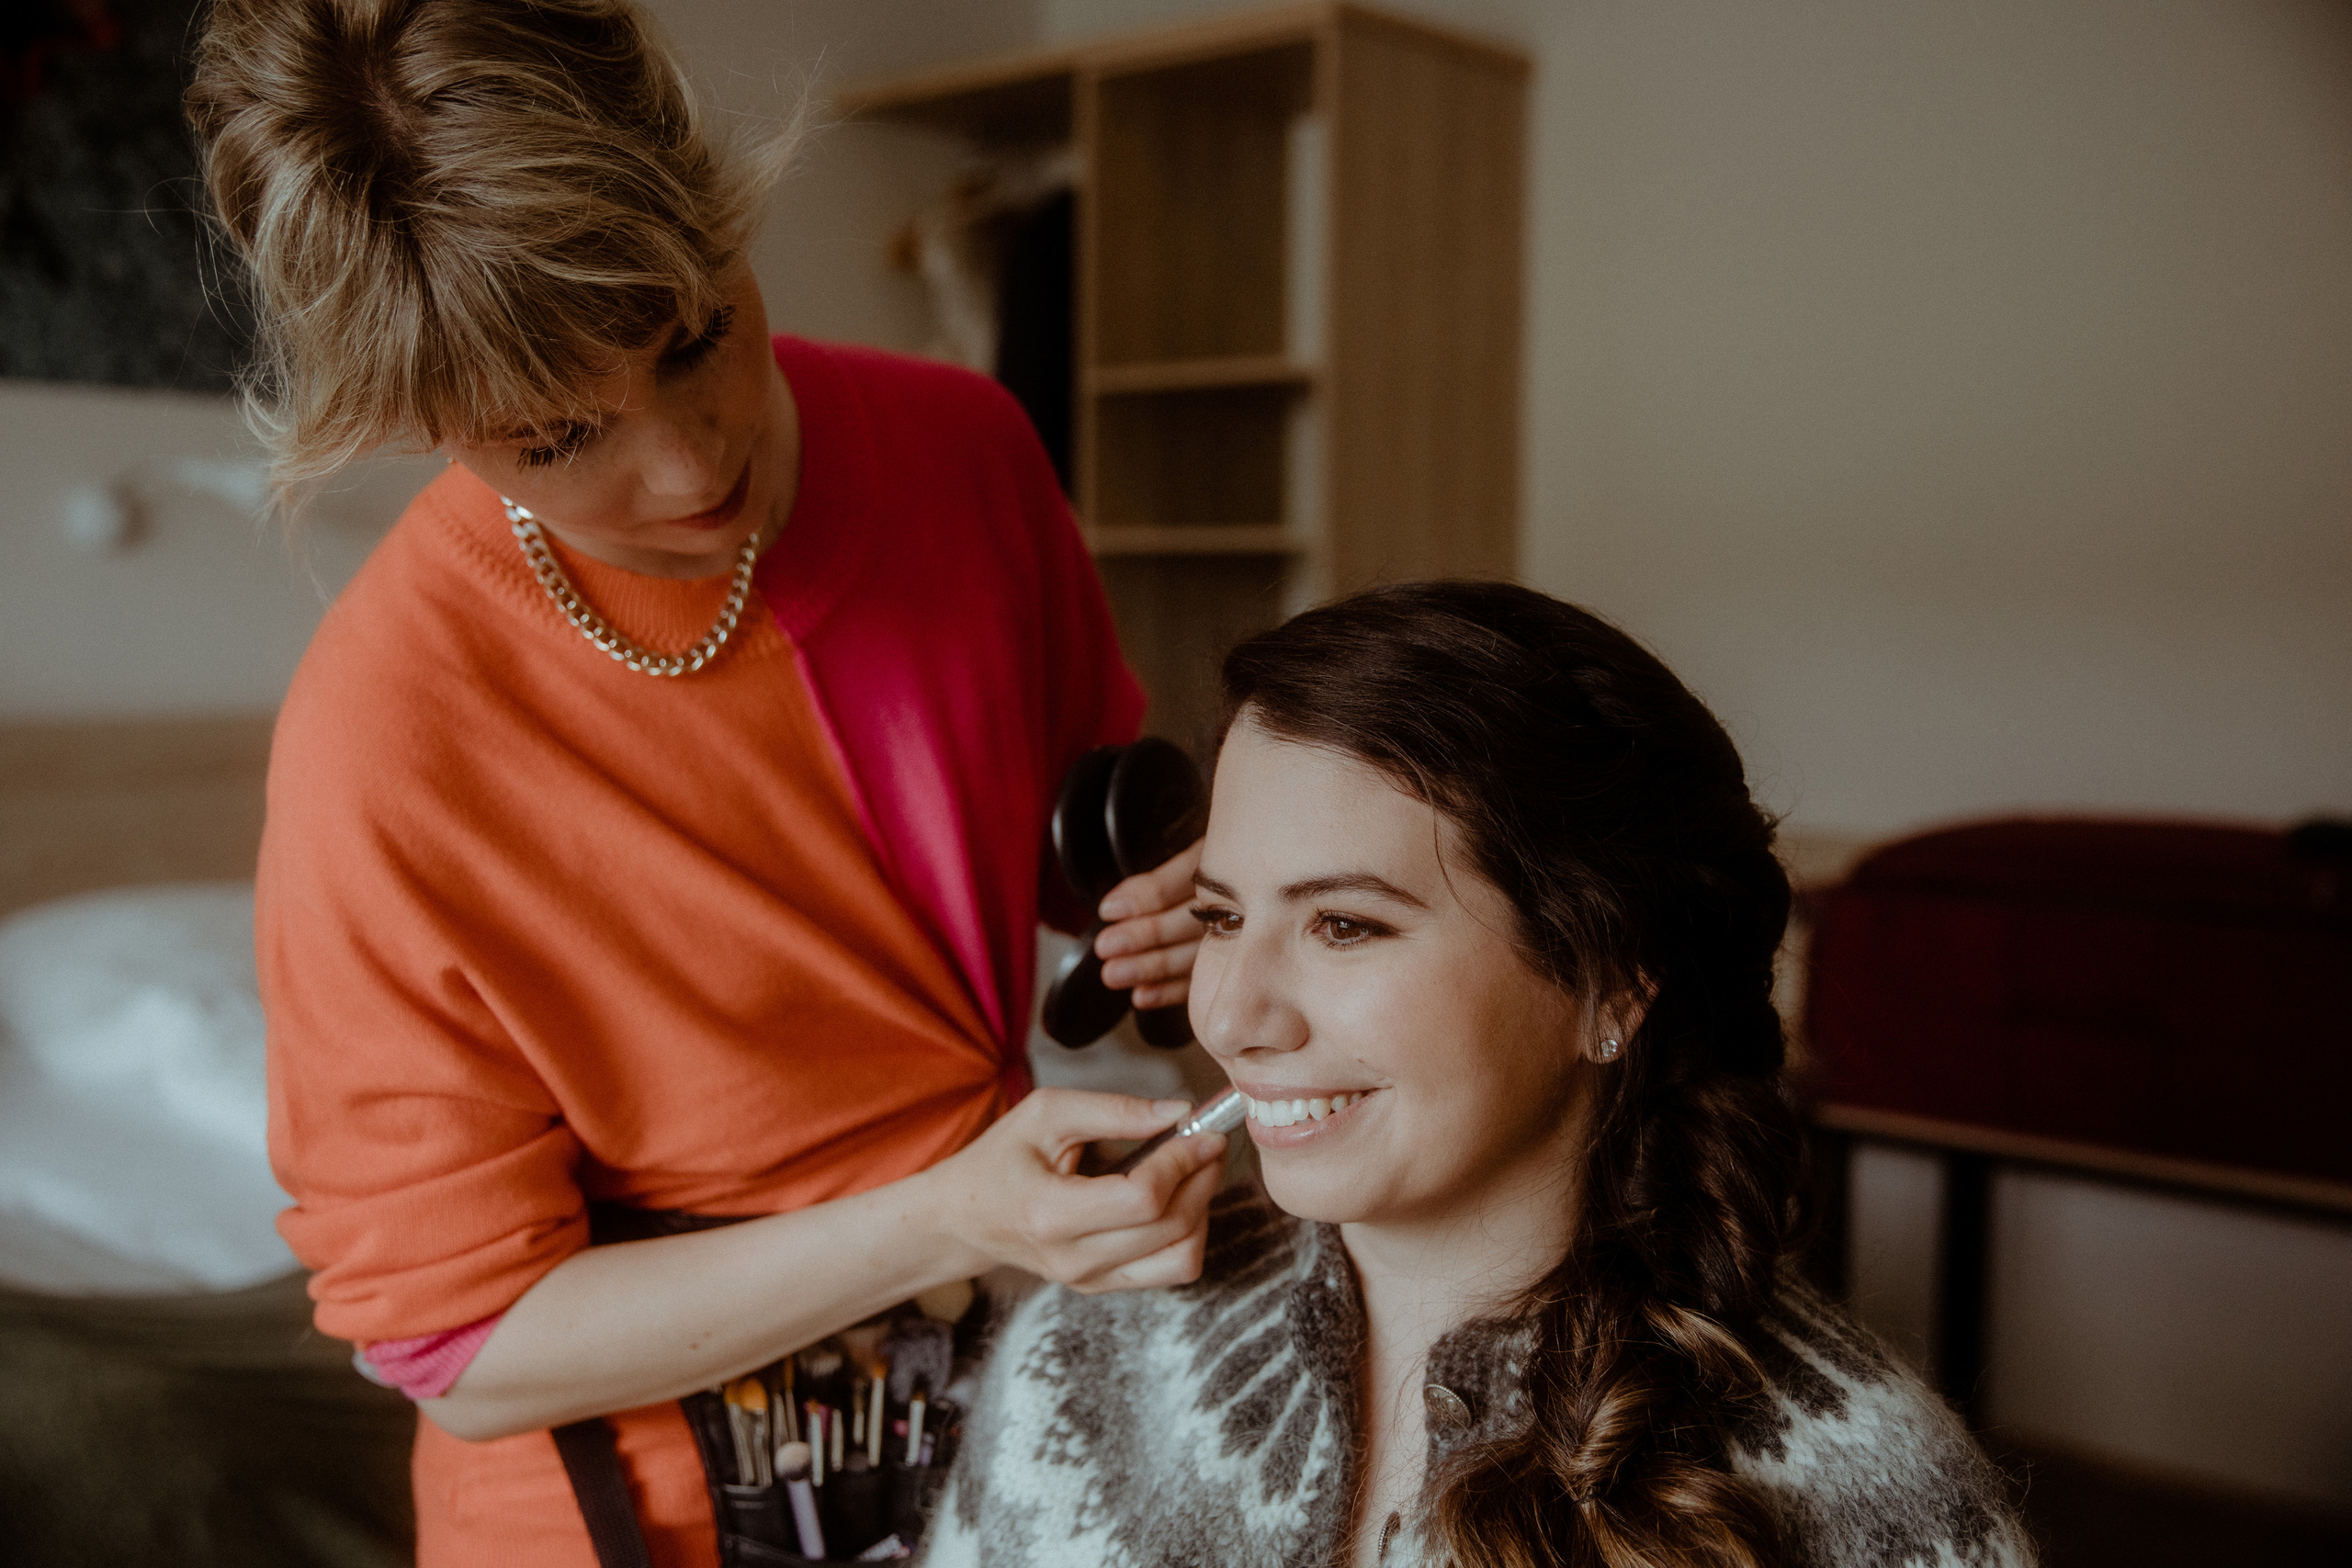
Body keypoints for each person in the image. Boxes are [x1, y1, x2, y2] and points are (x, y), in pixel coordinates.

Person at [184, 3, 1224, 1564]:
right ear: (423, 430)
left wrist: (1181, 909)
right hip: (638, 1517)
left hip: (1000, 1440)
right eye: (559, 437)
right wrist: (946, 1214)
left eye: (692, 336)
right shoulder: (387, 738)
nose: (689, 469)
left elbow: (1079, 838)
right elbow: (463, 1352)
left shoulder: (966, 451)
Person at [924, 581, 2035, 1568]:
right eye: (1220, 915)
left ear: (1609, 985)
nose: (1228, 1013)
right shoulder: (1085, 1362)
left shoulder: (1883, 1512)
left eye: (1346, 926)